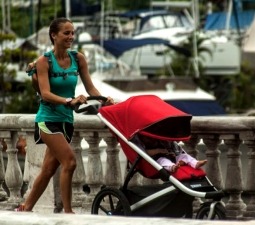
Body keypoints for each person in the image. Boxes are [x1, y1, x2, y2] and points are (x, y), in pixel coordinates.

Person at [15, 17, 114, 213]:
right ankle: (69, 213)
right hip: (47, 120)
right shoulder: (44, 61)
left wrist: (104, 99)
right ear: (54, 35)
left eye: (72, 33)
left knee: (48, 170)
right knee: (70, 161)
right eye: (66, 33)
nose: (71, 37)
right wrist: (70, 101)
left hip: (66, 121)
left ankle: (25, 209)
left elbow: (90, 87)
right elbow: (45, 93)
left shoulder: (78, 59)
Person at [138, 134, 207, 173]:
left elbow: (175, 150)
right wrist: (159, 150)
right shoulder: (144, 142)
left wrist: (173, 153)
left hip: (172, 156)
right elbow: (145, 153)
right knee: (164, 161)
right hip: (156, 160)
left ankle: (195, 163)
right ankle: (172, 167)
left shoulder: (164, 139)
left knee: (185, 156)